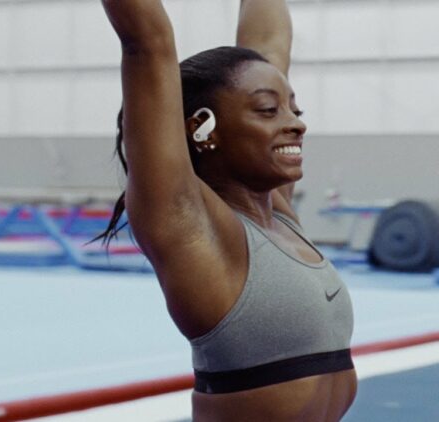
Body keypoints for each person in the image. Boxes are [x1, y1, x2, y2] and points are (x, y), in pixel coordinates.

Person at [97, 1, 356, 420]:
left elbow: (270, 44)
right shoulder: (189, 226)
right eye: (269, 111)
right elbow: (147, 42)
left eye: (295, 109)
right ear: (203, 128)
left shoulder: (279, 215)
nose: (296, 123)